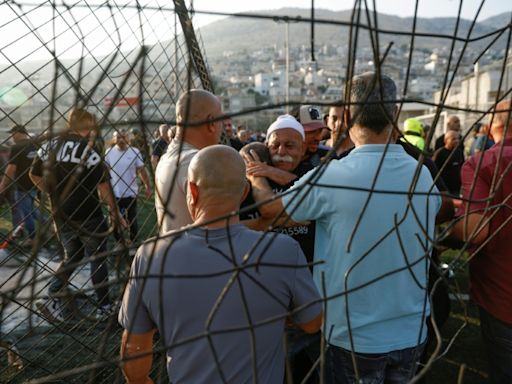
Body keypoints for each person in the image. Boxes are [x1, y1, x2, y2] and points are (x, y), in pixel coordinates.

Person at [249, 72, 441, 382]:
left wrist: (255, 173)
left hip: (353, 337)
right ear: (394, 115)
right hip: (411, 332)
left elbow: (271, 210)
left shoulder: (334, 176)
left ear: (348, 116)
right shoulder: (421, 175)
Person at [118, 145, 322, 384]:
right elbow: (312, 323)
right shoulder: (284, 251)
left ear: (191, 191)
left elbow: (134, 354)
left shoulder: (150, 256)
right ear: (244, 191)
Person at [30, 108, 126, 322]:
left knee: (72, 255)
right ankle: (105, 306)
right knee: (98, 256)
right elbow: (104, 187)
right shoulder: (89, 150)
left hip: (60, 214)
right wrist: (115, 213)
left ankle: (51, 297)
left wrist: (51, 190)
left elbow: (33, 174)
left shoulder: (48, 146)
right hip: (88, 213)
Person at [449, 99, 512, 383]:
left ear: (490, 126)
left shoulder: (483, 163)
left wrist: (449, 227)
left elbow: (475, 230)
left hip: (502, 297)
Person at [155, 89, 223, 234]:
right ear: (211, 123)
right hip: (197, 254)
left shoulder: (167, 157)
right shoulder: (197, 161)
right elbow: (218, 229)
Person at [105, 130, 151, 244]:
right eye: (118, 137)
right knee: (114, 221)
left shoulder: (134, 152)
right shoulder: (109, 152)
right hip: (114, 193)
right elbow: (105, 172)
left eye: (123, 137)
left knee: (132, 219)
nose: (121, 140)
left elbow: (141, 170)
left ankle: (134, 242)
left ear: (128, 138)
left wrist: (147, 186)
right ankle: (120, 243)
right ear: (113, 139)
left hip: (131, 193)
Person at [0, 125, 38, 246]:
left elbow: (11, 168)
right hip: (35, 182)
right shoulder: (34, 144)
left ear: (18, 133)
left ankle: (33, 238)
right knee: (32, 210)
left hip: (22, 185)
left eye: (12, 133)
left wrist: (3, 184)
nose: (11, 136)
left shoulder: (17, 147)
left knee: (25, 212)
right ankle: (52, 227)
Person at [293, 105, 330, 174]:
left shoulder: (327, 155)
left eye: (320, 131)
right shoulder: (277, 154)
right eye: (311, 132)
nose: (318, 138)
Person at [433, 130, 464, 196]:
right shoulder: (439, 154)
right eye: (453, 139)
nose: (457, 141)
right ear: (446, 140)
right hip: (444, 190)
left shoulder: (459, 152)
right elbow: (434, 171)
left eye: (458, 139)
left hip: (456, 189)